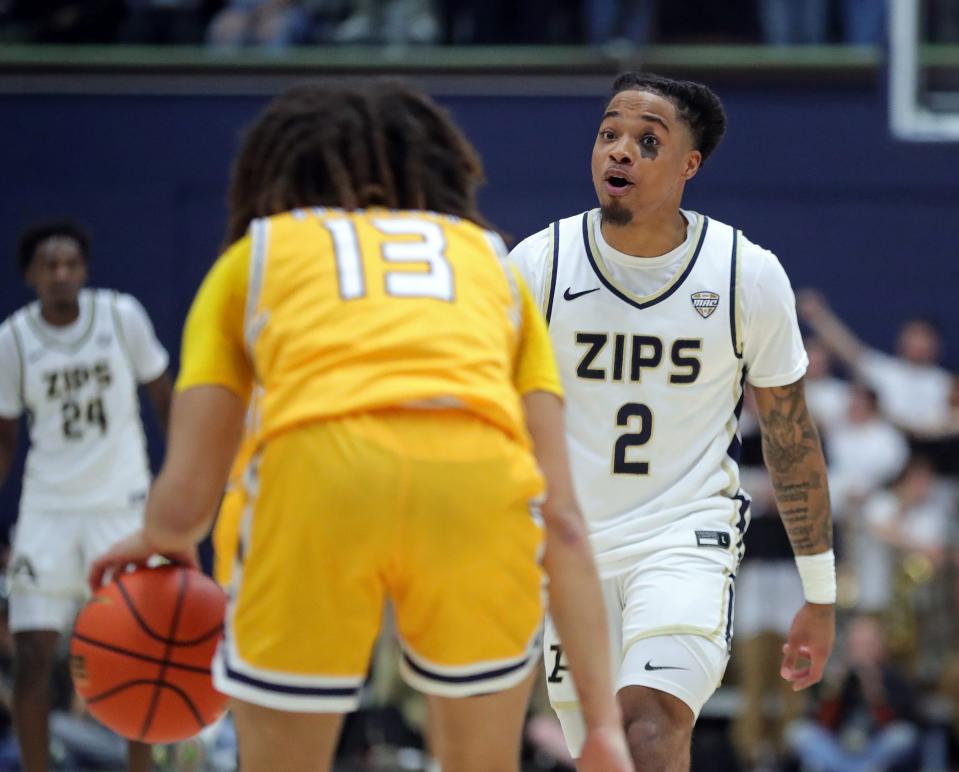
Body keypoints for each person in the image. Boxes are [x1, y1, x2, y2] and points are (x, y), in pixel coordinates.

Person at [88, 81, 633, 772]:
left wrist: (157, 536)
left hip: (319, 477)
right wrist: (602, 727)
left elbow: (190, 494)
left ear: (282, 170)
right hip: (474, 491)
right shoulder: (493, 262)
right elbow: (561, 518)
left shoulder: (254, 257)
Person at [509, 72, 836, 771]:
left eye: (645, 141)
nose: (618, 151)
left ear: (689, 164)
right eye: (608, 134)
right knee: (601, 752)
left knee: (648, 730)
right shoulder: (539, 264)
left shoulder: (745, 274)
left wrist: (821, 595)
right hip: (568, 548)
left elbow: (789, 438)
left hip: (684, 539)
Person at [0, 219, 172, 772]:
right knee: (31, 658)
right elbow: (4, 440)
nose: (61, 274)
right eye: (49, 266)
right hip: (48, 508)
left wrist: (176, 487)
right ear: (30, 275)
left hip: (119, 503)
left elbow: (166, 399)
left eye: (71, 264)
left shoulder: (121, 317)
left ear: (85, 270)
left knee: (134, 653)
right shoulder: (13, 340)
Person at [798, 292, 953, 437]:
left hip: (931, 452)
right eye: (913, 335)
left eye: (924, 337)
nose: (917, 343)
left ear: (936, 344)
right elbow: (848, 349)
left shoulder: (946, 383)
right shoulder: (884, 370)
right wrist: (818, 316)